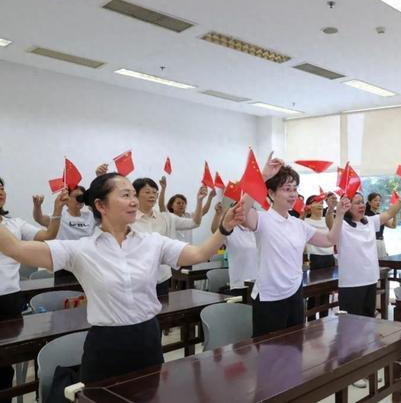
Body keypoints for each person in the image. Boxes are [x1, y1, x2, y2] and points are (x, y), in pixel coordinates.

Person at [0, 172, 244, 385]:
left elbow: (199, 253)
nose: (134, 201)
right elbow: (15, 248)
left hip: (147, 337)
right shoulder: (80, 249)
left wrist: (224, 229)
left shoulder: (153, 243)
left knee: (150, 395)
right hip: (106, 344)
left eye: (133, 195)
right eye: (125, 195)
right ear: (101, 205)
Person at [240, 153, 349, 337]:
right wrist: (263, 176)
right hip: (269, 297)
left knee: (294, 351)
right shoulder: (263, 219)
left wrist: (339, 215)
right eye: (286, 189)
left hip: (295, 295)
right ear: (271, 193)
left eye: (295, 189)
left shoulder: (299, 225)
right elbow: (240, 212)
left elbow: (330, 240)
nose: (292, 194)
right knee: (270, 354)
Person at [1, 177, 67, 401]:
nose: (0, 192)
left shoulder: (14, 224)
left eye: (2, 188)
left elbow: (48, 236)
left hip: (9, 298)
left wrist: (57, 210)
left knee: (4, 361)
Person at [337, 188, 401, 317]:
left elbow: (389, 213)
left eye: (362, 202)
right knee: (351, 325)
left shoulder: (369, 221)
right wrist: (335, 210)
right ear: (347, 207)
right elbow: (330, 224)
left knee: (368, 320)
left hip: (370, 279)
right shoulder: (342, 225)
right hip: (352, 283)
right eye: (357, 203)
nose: (362, 205)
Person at [131, 177, 207, 296]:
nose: (152, 195)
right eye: (147, 192)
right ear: (135, 195)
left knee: (164, 312)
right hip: (137, 279)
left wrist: (199, 200)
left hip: (162, 277)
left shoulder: (166, 217)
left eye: (155, 192)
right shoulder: (127, 219)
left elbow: (194, 223)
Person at [210, 202, 258, 295]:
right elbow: (215, 230)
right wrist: (218, 214)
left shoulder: (256, 230)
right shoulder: (231, 230)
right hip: (241, 285)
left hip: (259, 283)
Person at [303, 195, 336, 320]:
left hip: (329, 258)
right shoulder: (305, 222)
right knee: (313, 292)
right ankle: (310, 320)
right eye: (316, 202)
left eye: (322, 202)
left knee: (326, 291)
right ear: (309, 206)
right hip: (314, 258)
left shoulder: (327, 220)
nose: (320, 205)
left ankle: (324, 319)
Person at [158, 176, 216, 243]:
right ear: (171, 205)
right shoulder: (168, 216)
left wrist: (210, 198)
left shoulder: (188, 216)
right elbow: (161, 206)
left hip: (187, 250)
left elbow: (203, 211)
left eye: (183, 203)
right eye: (178, 203)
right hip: (173, 251)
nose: (181, 205)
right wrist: (163, 189)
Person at [364, 192, 397, 258]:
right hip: (371, 243)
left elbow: (393, 226)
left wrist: (394, 214)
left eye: (379, 200)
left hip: (381, 242)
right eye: (375, 200)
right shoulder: (365, 216)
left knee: (383, 266)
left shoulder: (380, 215)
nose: (378, 202)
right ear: (369, 202)